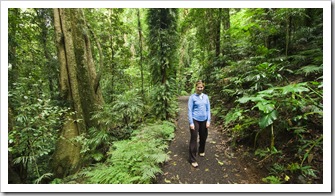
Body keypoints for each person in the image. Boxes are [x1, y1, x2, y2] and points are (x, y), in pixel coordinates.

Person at [187, 80, 211, 168]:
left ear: (203, 87)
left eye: (201, 87)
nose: (200, 89)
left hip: (204, 120)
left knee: (203, 136)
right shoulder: (192, 97)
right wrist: (191, 122)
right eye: (198, 87)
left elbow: (208, 109)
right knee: (194, 138)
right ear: (195, 87)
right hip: (195, 119)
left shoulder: (206, 97)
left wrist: (208, 121)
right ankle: (192, 159)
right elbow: (189, 110)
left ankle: (201, 150)